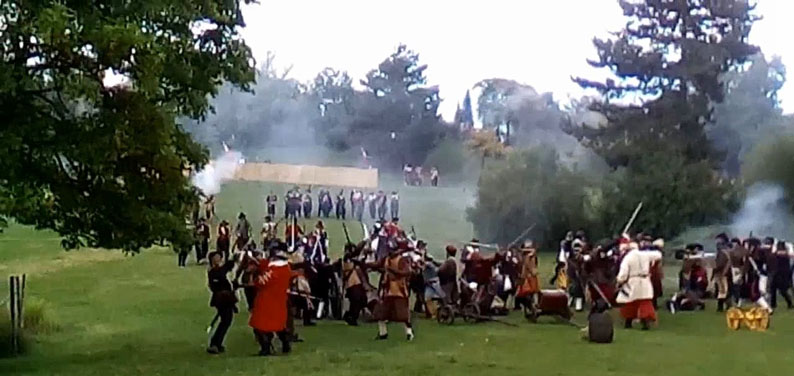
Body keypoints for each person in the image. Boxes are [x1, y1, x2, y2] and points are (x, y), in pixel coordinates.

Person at [249, 247, 293, 356]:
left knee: (260, 327)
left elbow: (260, 282)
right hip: (280, 300)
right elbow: (263, 264)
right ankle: (286, 344)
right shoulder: (286, 269)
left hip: (266, 301)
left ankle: (266, 348)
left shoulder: (273, 271)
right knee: (279, 326)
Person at [369, 239, 414, 341]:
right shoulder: (387, 259)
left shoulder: (402, 260)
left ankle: (409, 333)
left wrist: (392, 270)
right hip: (387, 290)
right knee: (381, 313)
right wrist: (365, 264)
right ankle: (382, 333)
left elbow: (407, 272)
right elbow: (377, 265)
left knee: (403, 315)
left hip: (399, 289)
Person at [616, 241, 663, 330]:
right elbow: (658, 255)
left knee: (630, 302)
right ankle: (645, 322)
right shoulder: (645, 255)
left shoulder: (628, 258)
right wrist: (654, 247)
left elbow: (623, 273)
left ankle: (628, 322)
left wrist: (620, 280)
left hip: (633, 281)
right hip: (645, 280)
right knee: (645, 302)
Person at [207, 253, 237, 354]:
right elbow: (215, 285)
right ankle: (215, 343)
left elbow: (230, 265)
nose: (218, 259)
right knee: (225, 321)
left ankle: (217, 343)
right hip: (221, 299)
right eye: (216, 258)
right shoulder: (213, 272)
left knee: (226, 321)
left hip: (227, 299)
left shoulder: (221, 269)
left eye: (219, 258)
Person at [768, 240, 794, 309]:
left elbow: (791, 255)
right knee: (773, 287)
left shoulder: (787, 250)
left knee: (782, 290)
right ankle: (773, 304)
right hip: (777, 271)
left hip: (785, 272)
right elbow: (773, 254)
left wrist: (779, 252)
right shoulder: (776, 250)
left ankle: (790, 303)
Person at [516, 240, 540, 310]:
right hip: (528, 276)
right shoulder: (527, 256)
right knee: (527, 292)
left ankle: (532, 305)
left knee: (533, 291)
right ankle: (528, 305)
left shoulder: (529, 255)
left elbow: (533, 251)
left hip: (531, 275)